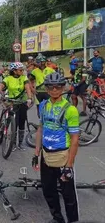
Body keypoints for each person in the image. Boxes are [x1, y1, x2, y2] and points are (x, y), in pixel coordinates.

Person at [32, 72, 80, 223]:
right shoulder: (44, 106)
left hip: (62, 157)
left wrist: (69, 165)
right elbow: (40, 129)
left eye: (58, 87)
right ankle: (57, 218)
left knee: (68, 195)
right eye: (51, 87)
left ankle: (72, 220)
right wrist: (36, 152)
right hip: (46, 156)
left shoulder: (70, 109)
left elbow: (75, 139)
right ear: (46, 89)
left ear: (63, 87)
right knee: (48, 191)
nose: (54, 90)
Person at [0, 62, 33, 151]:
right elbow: (1, 85)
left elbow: (27, 87)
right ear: (14, 71)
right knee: (14, 122)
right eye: (20, 70)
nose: (22, 71)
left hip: (22, 102)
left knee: (21, 122)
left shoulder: (24, 78)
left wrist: (29, 98)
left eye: (22, 70)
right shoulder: (8, 78)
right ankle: (13, 143)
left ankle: (20, 144)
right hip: (12, 102)